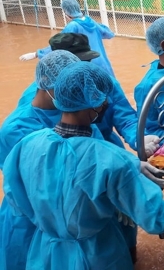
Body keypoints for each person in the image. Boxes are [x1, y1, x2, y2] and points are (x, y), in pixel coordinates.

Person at [2, 62, 164, 270]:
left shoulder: (27, 145)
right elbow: (156, 218)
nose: (107, 103)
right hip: (98, 255)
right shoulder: (110, 160)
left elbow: (16, 200)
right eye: (104, 99)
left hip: (46, 252)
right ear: (95, 103)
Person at [0, 51, 101, 270]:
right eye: (66, 85)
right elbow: (39, 185)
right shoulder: (16, 130)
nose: (73, 91)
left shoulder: (76, 113)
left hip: (74, 216)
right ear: (45, 82)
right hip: (30, 217)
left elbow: (98, 157)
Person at [15, 33, 158, 155]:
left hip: (108, 150)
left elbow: (124, 115)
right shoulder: (35, 101)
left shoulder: (102, 82)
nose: (86, 72)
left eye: (88, 62)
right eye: (79, 65)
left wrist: (138, 138)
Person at [18, 0, 116, 77]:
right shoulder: (90, 21)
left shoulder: (72, 26)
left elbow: (59, 45)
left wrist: (36, 54)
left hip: (86, 64)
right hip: (103, 62)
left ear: (66, 12)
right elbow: (109, 34)